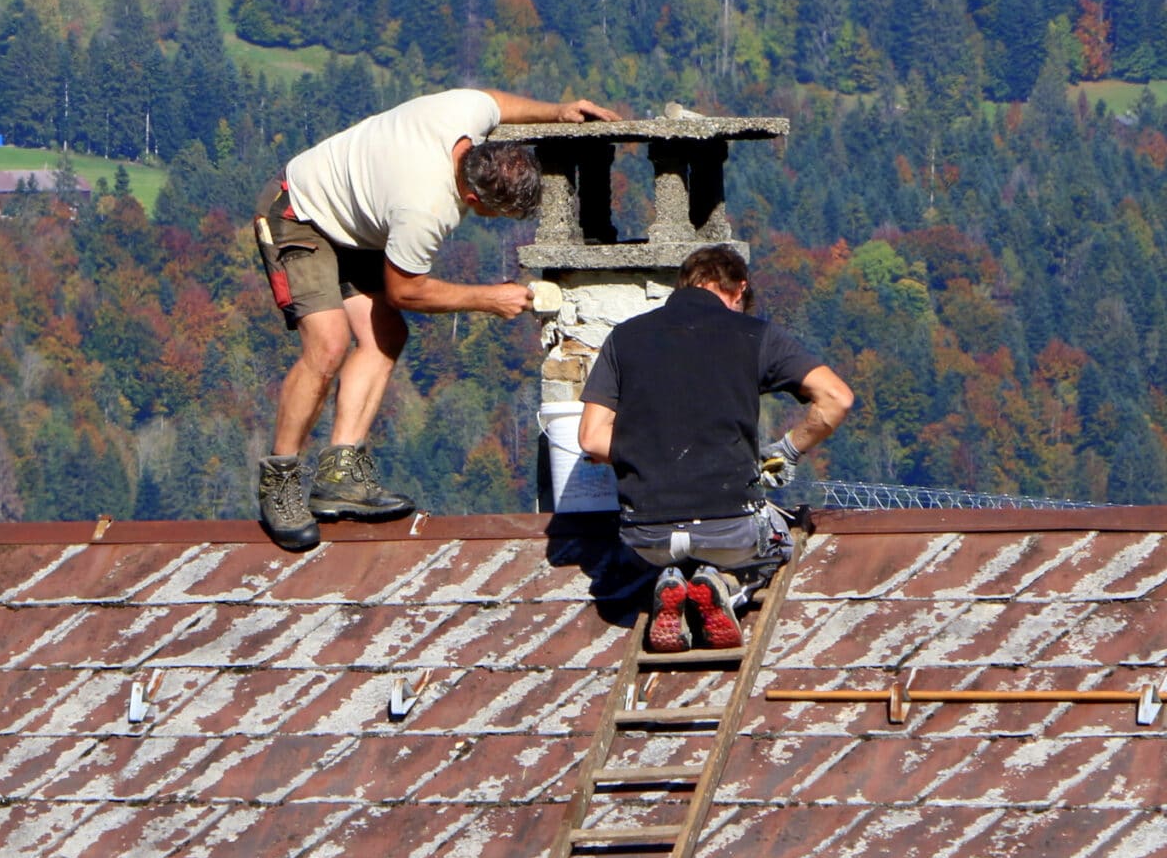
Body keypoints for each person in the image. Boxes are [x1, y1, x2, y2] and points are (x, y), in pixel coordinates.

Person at [253, 88, 621, 551]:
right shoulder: (426, 207)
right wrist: (489, 299)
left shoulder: (465, 115)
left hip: (358, 221)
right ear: (470, 193)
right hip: (299, 211)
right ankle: (280, 482)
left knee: (384, 334)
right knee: (327, 344)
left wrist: (558, 110)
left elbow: (493, 100)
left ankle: (341, 475)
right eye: (495, 211)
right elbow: (406, 290)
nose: (496, 219)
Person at [577, 245, 854, 652]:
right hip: (732, 526)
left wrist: (649, 449)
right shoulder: (755, 335)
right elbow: (837, 398)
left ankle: (671, 579)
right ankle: (726, 584)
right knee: (780, 540)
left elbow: (590, 438)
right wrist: (789, 450)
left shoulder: (624, 338)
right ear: (738, 290)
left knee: (674, 547)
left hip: (646, 536)